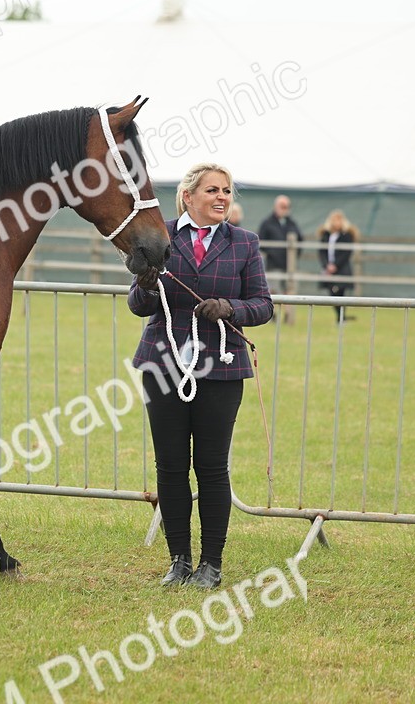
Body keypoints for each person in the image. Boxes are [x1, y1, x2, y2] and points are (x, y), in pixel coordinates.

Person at [128, 163, 273, 590]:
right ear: (188, 197)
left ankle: (211, 564)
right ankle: (178, 562)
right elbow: (138, 305)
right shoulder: (159, 236)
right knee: (170, 466)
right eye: (212, 190)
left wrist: (231, 308)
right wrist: (149, 286)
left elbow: (263, 305)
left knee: (211, 467)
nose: (222, 197)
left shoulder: (245, 243)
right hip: (162, 363)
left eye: (227, 191)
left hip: (221, 368)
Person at [256, 195, 303, 292]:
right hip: (273, 265)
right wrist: (272, 253)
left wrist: (295, 256)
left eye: (287, 206)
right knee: (274, 293)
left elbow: (300, 240)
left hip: (289, 265)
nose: (285, 209)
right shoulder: (267, 223)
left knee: (289, 292)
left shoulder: (292, 223)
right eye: (282, 206)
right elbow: (261, 241)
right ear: (275, 206)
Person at [318, 209, 358, 321]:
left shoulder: (347, 236)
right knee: (332, 293)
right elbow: (321, 252)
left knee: (340, 293)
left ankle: (341, 317)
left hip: (341, 269)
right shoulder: (326, 235)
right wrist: (327, 265)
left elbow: (346, 253)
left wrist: (335, 265)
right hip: (328, 269)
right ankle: (341, 317)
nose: (336, 223)